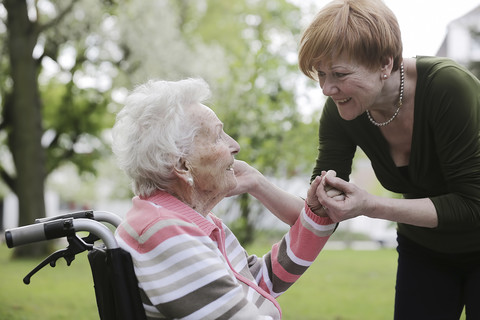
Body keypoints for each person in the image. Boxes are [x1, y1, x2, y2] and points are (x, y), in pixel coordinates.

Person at [292, 0, 480, 319]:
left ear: (384, 63)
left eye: (338, 73)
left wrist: (371, 206)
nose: (326, 88)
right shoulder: (341, 109)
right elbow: (319, 211)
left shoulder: (448, 87)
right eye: (321, 74)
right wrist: (265, 186)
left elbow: (473, 204)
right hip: (424, 249)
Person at [111, 78, 338, 319]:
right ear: (181, 163)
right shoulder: (163, 233)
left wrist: (262, 185)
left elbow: (257, 283)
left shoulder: (187, 222)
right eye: (219, 136)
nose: (235, 145)